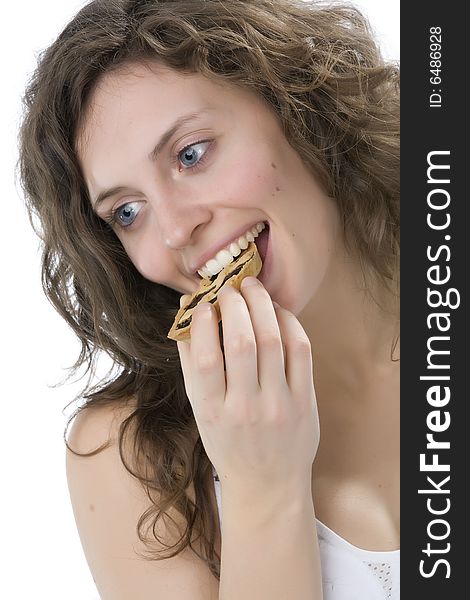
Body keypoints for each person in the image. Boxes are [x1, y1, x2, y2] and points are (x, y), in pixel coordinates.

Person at [18, 0, 400, 598]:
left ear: (299, 107)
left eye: (191, 154)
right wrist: (262, 487)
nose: (172, 232)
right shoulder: (128, 458)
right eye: (127, 212)